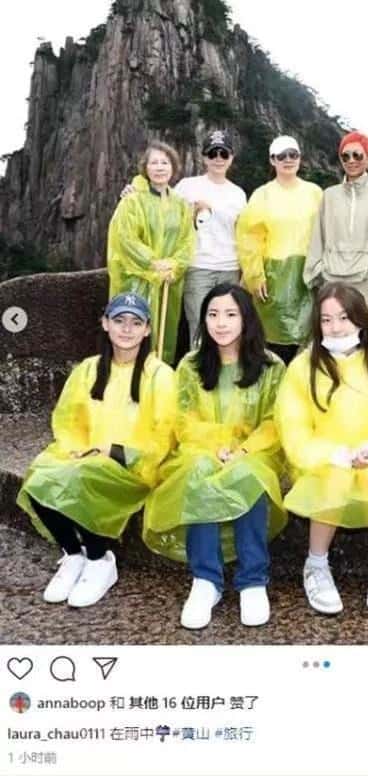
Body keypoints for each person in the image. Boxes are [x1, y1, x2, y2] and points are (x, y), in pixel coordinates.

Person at [16, 293, 176, 607]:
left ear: (147, 330)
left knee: (85, 477)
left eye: (136, 323)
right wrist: (76, 449)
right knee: (38, 477)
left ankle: (100, 559)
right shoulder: (89, 369)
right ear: (105, 324)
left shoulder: (160, 375)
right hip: (88, 456)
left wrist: (114, 451)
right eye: (119, 320)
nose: (127, 329)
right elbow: (68, 419)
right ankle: (73, 554)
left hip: (134, 465)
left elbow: (164, 436)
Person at [143, 284, 287, 629]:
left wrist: (243, 450)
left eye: (230, 314)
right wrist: (214, 446)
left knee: (248, 474)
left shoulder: (271, 366)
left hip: (256, 451)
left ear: (246, 318)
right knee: (200, 470)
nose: (221, 323)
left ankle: (252, 579)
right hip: (201, 449)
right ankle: (206, 579)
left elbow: (275, 421)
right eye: (212, 314)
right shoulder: (191, 365)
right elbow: (183, 418)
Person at [275, 282, 368, 614]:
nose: (335, 327)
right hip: (321, 460)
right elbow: (293, 428)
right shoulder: (302, 368)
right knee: (334, 479)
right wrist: (334, 455)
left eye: (344, 318)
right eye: (326, 320)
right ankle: (316, 563)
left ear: (361, 319)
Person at [305, 131, 368, 324]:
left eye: (357, 155)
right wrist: (319, 269)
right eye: (345, 156)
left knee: (367, 335)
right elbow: (318, 237)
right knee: (335, 334)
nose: (351, 160)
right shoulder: (329, 195)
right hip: (333, 278)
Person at [235, 135, 322, 364]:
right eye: (281, 156)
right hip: (273, 277)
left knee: (306, 340)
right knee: (271, 340)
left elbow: (325, 232)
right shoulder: (261, 195)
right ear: (272, 160)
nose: (288, 160)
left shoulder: (315, 193)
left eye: (293, 154)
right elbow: (249, 238)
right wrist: (255, 275)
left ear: (300, 158)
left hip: (307, 276)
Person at [108, 141, 195, 364]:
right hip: (137, 279)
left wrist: (174, 265)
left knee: (164, 333)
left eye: (164, 162)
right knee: (134, 329)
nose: (159, 167)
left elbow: (187, 241)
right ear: (145, 167)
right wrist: (153, 263)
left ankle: (157, 376)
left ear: (173, 167)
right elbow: (125, 238)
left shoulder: (180, 204)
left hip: (168, 281)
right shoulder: (133, 200)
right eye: (154, 162)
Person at [171, 130, 247, 348]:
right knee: (199, 326)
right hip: (198, 266)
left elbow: (244, 234)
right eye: (212, 153)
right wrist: (135, 191)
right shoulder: (187, 186)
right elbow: (164, 210)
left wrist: (246, 271)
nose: (218, 159)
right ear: (204, 157)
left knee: (229, 328)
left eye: (224, 153)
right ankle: (198, 369)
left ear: (231, 158)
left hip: (230, 268)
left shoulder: (238, 194)